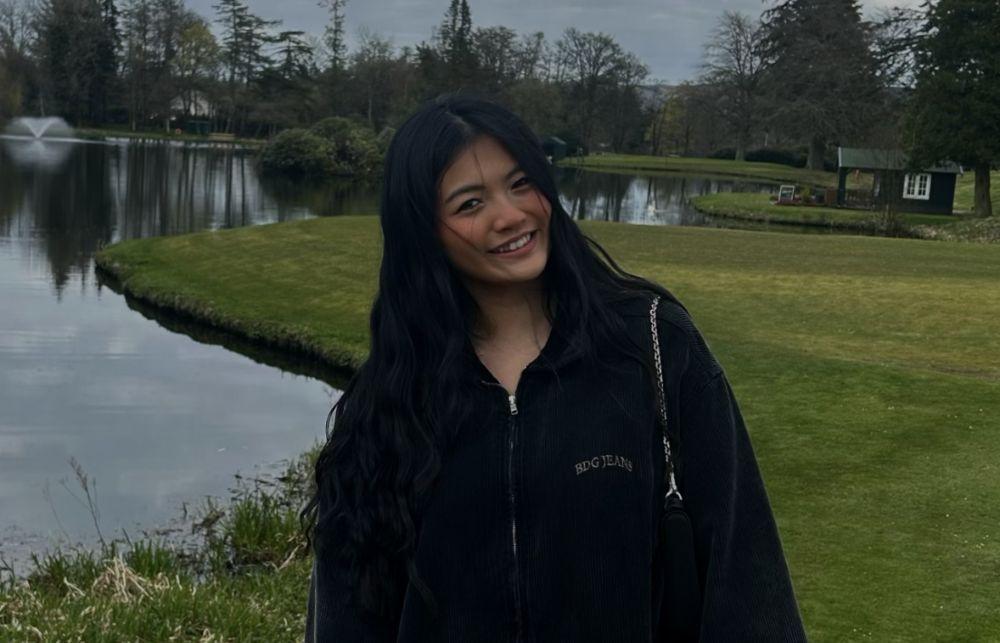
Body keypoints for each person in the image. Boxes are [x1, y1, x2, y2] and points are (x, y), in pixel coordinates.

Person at [303, 94, 807, 642]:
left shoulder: (654, 345)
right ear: (425, 231)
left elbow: (745, 571)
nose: (510, 216)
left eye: (521, 184)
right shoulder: (394, 396)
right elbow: (348, 606)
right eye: (470, 204)